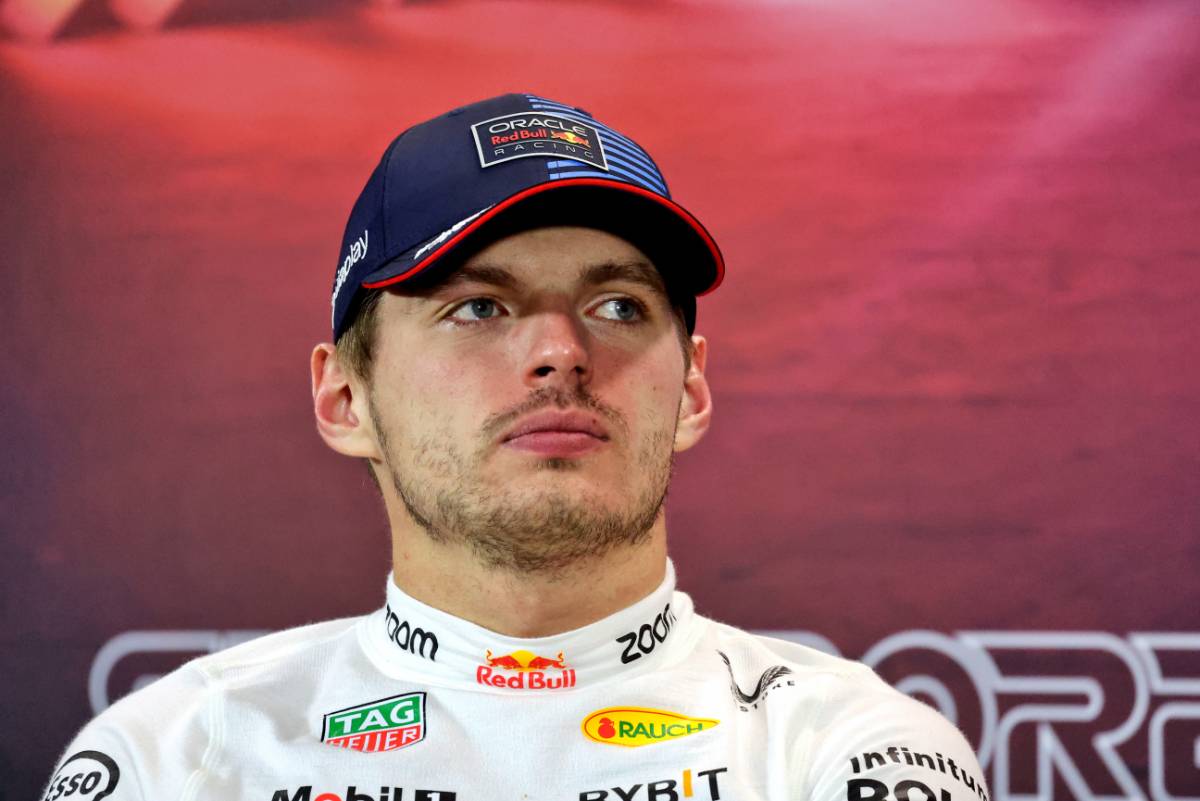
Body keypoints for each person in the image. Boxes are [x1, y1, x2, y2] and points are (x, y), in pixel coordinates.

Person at [44, 94, 988, 801]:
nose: (559, 354)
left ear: (692, 388)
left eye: (618, 306)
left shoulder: (848, 749)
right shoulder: (179, 754)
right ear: (344, 398)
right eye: (478, 307)